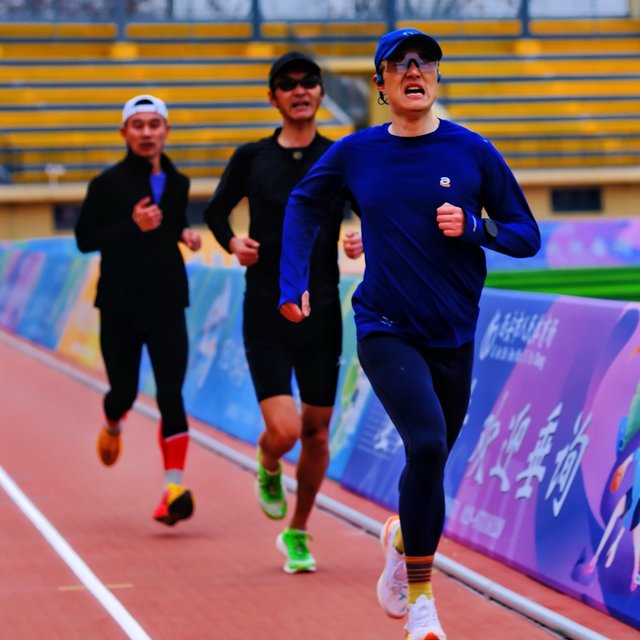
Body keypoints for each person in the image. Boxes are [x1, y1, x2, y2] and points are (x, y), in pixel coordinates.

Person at [279, 28, 541, 640]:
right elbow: (303, 204)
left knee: (432, 463)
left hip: (453, 332)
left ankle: (402, 540)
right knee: (424, 444)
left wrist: (477, 227)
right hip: (384, 325)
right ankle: (422, 601)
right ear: (381, 85)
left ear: (438, 77)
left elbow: (525, 234)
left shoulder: (473, 151)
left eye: (424, 61)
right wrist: (293, 282)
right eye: (398, 64)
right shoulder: (356, 153)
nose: (413, 70)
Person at [204, 51, 361, 574]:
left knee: (317, 431)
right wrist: (233, 242)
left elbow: (375, 206)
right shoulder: (252, 157)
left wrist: (366, 237)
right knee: (289, 430)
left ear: (319, 93)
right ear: (273, 97)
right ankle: (269, 460)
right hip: (267, 307)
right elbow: (214, 209)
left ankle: (298, 531)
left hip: (322, 310)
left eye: (309, 82)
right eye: (287, 84)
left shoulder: (340, 156)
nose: (300, 90)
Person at [75, 94, 201, 527]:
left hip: (167, 301)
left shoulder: (179, 182)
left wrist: (184, 233)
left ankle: (173, 489)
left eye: (154, 125)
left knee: (171, 393)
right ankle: (113, 422)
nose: (147, 133)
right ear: (125, 132)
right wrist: (131, 225)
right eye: (139, 125)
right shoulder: (106, 184)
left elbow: (168, 226)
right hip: (119, 305)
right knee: (124, 392)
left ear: (166, 130)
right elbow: (85, 239)